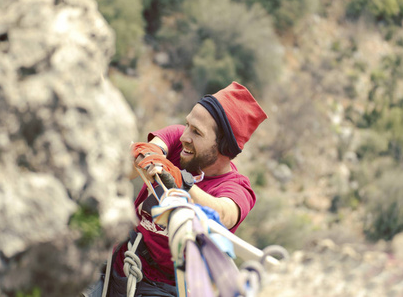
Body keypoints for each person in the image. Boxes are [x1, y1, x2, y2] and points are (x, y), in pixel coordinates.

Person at [84, 81, 267, 297]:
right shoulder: (179, 143)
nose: (184, 136)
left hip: (160, 289)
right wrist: (149, 154)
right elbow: (134, 166)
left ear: (224, 146)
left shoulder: (236, 188)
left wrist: (181, 182)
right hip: (116, 259)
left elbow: (223, 214)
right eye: (188, 124)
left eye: (197, 132)